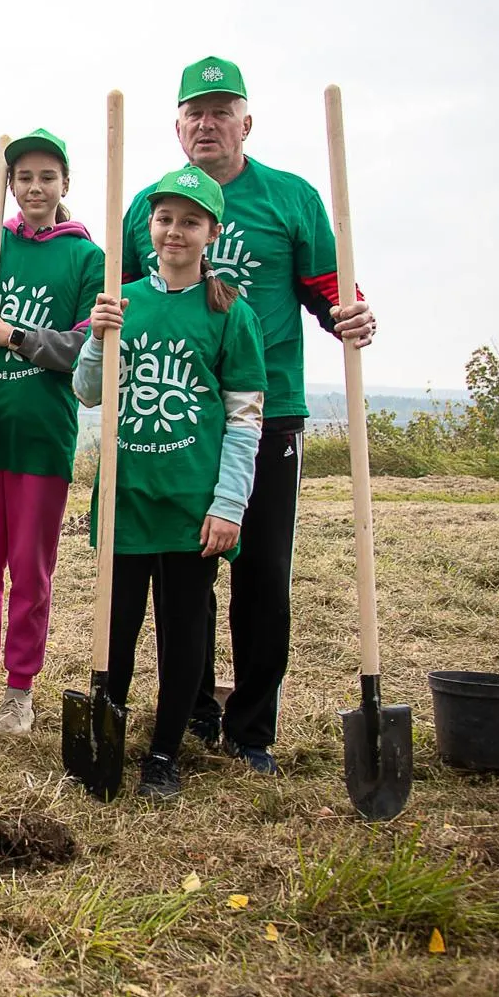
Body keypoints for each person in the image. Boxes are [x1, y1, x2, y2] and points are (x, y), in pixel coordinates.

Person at [122, 57, 376, 773]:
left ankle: (252, 727)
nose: (207, 123)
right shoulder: (149, 202)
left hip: (268, 415)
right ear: (177, 126)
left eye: (220, 110)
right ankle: (194, 708)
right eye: (194, 112)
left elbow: (330, 287)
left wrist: (348, 314)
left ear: (246, 123)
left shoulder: (290, 198)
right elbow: (117, 297)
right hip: (175, 426)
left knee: (261, 573)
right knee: (186, 570)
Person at [79, 166, 267, 798]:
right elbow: (86, 390)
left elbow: (244, 420)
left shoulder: (230, 314)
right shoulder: (121, 298)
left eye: (190, 221)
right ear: (149, 227)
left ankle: (164, 752)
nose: (175, 231)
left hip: (191, 503)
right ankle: (110, 735)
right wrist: (98, 338)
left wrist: (229, 504)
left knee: (184, 629)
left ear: (212, 232)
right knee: (118, 627)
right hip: (124, 500)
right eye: (165, 219)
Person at [0, 129, 101, 735]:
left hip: (42, 439)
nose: (35, 188)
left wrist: (13, 336)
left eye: (47, 177)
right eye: (24, 178)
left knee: (30, 574)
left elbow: (85, 347)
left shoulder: (86, 259)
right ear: (9, 185)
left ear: (65, 184)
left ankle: (19, 690)